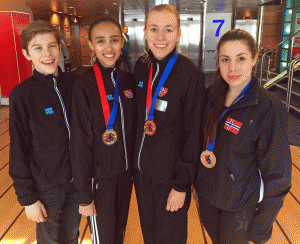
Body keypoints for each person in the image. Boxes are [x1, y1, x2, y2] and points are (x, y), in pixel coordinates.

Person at [194, 29, 292, 244]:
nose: (232, 68)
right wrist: (199, 187)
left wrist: (259, 230)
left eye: (241, 58)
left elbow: (279, 176)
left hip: (241, 208)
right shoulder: (211, 95)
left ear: (254, 59)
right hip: (209, 198)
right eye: (225, 59)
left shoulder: (269, 108)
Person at [133, 4, 206, 244]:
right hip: (143, 174)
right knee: (150, 236)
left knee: (171, 238)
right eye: (154, 29)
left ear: (178, 33)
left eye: (168, 29)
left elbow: (195, 135)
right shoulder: (141, 67)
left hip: (171, 179)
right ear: (144, 32)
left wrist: (181, 185)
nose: (161, 37)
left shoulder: (191, 75)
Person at [9, 20, 81, 243]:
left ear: (60, 48)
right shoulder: (22, 95)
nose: (47, 54)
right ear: (26, 54)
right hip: (47, 186)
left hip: (77, 181)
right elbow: (19, 148)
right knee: (49, 239)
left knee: (71, 236)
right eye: (37, 48)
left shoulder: (74, 83)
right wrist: (27, 198)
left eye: (52, 46)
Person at [70, 17, 135, 244]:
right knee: (104, 239)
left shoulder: (127, 80)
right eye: (101, 41)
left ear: (122, 42)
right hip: (99, 180)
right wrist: (84, 194)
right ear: (91, 45)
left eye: (114, 40)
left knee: (120, 231)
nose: (108, 48)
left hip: (125, 176)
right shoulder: (83, 85)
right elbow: (78, 141)